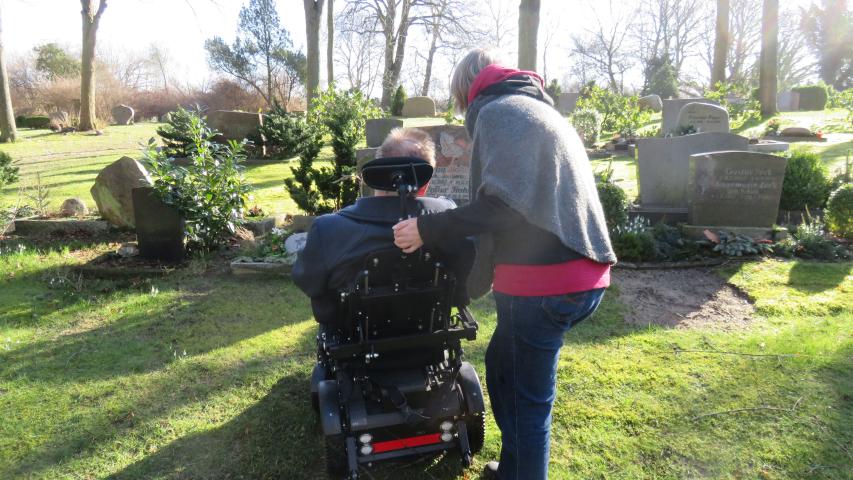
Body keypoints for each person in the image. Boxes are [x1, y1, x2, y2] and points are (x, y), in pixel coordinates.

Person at [392, 49, 616, 480]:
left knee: (525, 402)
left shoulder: (498, 111)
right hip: (581, 275)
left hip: (547, 283)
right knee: (503, 369)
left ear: (465, 91)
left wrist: (426, 228)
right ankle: (513, 469)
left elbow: (504, 207)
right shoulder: (532, 108)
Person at [292, 127, 473, 328]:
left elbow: (309, 282)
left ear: (376, 173)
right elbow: (464, 280)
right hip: (429, 333)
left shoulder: (328, 229)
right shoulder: (448, 216)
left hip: (354, 338)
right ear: (424, 182)